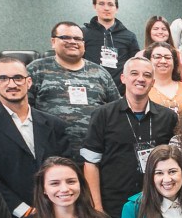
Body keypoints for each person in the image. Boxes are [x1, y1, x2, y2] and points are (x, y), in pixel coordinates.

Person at [0, 56, 71, 218]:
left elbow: (66, 169)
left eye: (18, 78)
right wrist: (23, 210)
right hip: (7, 216)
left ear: (28, 82)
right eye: (3, 78)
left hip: (54, 213)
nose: (12, 84)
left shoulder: (55, 124)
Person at [81, 56, 178, 218]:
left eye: (147, 75)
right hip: (114, 208)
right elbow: (91, 164)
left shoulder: (168, 117)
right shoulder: (103, 115)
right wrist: (97, 208)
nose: (141, 79)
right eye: (134, 73)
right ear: (123, 78)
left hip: (156, 205)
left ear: (153, 82)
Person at [27, 21, 121, 156]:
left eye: (78, 39)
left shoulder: (100, 73)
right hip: (50, 156)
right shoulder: (36, 70)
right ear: (53, 42)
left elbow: (116, 112)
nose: (73, 42)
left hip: (94, 156)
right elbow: (23, 112)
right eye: (65, 37)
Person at [82, 0, 140, 93]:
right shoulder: (83, 33)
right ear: (94, 6)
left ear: (116, 8)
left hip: (119, 93)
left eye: (110, 4)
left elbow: (135, 66)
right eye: (101, 4)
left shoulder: (129, 36)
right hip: (90, 91)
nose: (106, 8)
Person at [146, 40, 182, 114]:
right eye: (157, 57)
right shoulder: (144, 89)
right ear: (148, 60)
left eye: (167, 57)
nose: (163, 61)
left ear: (174, 62)